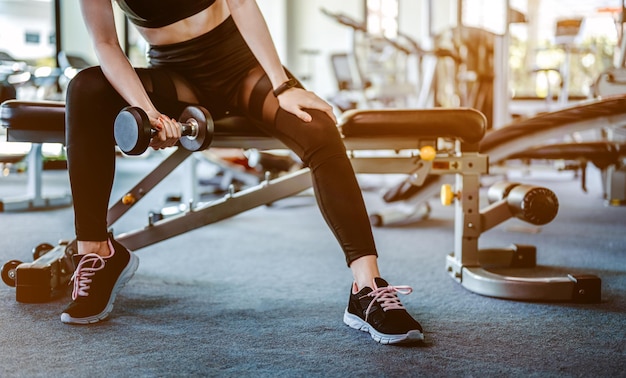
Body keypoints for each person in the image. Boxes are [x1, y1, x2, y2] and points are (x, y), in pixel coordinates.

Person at [63, 0, 424, 344]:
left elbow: (242, 4)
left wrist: (283, 85)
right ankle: (97, 253)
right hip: (176, 78)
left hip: (242, 70)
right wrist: (148, 113)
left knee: (316, 125)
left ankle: (366, 286)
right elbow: (107, 43)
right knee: (86, 87)